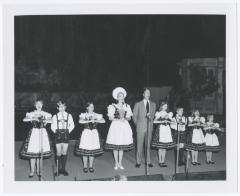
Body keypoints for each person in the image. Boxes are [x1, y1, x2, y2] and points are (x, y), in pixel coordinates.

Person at [20, 99, 53, 178]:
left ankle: (39, 171)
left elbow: (51, 120)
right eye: (37, 104)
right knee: (32, 153)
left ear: (42, 105)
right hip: (34, 134)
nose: (39, 105)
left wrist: (45, 120)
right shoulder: (31, 113)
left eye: (40, 104)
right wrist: (33, 118)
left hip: (42, 133)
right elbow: (24, 119)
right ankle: (32, 171)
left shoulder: (45, 113)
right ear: (35, 105)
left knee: (39, 153)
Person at [105, 87, 134, 170]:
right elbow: (110, 118)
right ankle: (116, 163)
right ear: (117, 97)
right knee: (115, 145)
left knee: (121, 145)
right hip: (115, 126)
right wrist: (118, 119)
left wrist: (124, 119)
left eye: (122, 96)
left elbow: (129, 118)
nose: (121, 97)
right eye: (119, 96)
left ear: (124, 97)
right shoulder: (112, 106)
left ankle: (120, 163)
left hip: (124, 126)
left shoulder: (127, 106)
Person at [75, 102, 105, 173]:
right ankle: (85, 166)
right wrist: (89, 120)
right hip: (86, 133)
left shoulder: (96, 114)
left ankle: (91, 166)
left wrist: (95, 120)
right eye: (90, 106)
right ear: (87, 108)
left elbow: (103, 121)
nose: (92, 108)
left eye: (93, 106)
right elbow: (80, 121)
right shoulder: (84, 114)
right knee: (85, 150)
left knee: (92, 150)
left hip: (94, 133)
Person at [133, 88, 156, 168]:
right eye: (146, 92)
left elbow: (153, 116)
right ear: (143, 94)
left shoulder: (153, 104)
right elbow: (134, 116)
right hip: (140, 128)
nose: (148, 94)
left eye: (149, 92)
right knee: (139, 145)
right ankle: (138, 161)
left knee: (148, 145)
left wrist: (150, 119)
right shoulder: (138, 104)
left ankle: (148, 161)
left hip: (149, 127)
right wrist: (138, 125)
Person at [51, 101, 75, 176]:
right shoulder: (55, 116)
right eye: (60, 107)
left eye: (63, 106)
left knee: (64, 152)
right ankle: (58, 170)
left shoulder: (69, 115)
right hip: (58, 135)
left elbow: (72, 125)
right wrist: (56, 132)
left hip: (66, 134)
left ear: (65, 107)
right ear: (57, 108)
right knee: (58, 152)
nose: (61, 108)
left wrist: (68, 131)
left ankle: (63, 169)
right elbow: (52, 126)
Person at [151, 102, 175, 167]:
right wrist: (162, 121)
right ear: (161, 106)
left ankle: (163, 161)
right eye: (164, 106)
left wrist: (169, 121)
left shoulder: (169, 114)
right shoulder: (159, 113)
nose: (165, 107)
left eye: (166, 106)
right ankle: (160, 161)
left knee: (164, 147)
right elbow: (154, 121)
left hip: (167, 130)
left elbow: (173, 122)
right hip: (161, 129)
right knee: (160, 147)